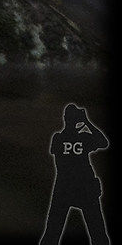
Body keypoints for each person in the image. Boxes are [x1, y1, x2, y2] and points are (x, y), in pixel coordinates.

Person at [42, 104, 110, 245]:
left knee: (52, 233)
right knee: (98, 234)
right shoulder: (84, 138)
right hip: (84, 187)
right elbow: (103, 142)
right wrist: (87, 122)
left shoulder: (58, 138)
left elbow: (103, 143)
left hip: (63, 187)